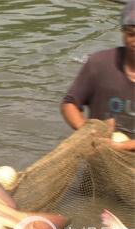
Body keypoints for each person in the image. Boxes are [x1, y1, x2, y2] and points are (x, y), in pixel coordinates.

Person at [61, 0, 135, 151]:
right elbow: (70, 103)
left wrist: (123, 146)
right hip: (98, 155)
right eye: (131, 34)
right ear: (122, 33)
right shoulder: (100, 63)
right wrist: (87, 131)